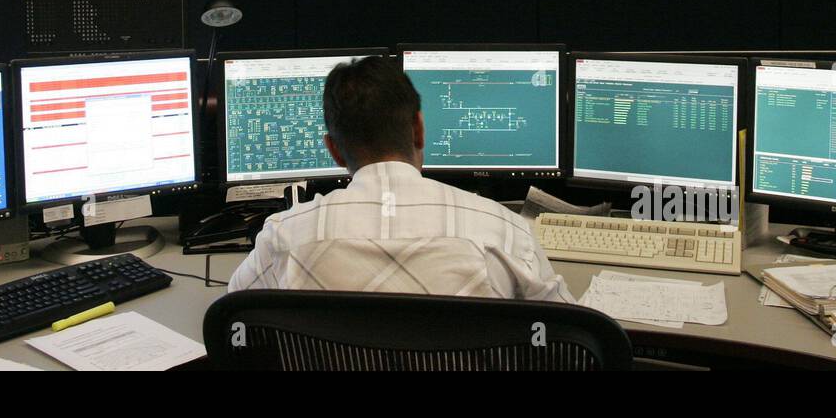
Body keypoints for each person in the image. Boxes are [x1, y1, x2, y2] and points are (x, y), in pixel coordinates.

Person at [227, 55, 575, 301]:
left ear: (333, 150)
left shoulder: (284, 236)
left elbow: (231, 316)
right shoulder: (505, 232)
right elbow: (574, 339)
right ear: (419, 130)